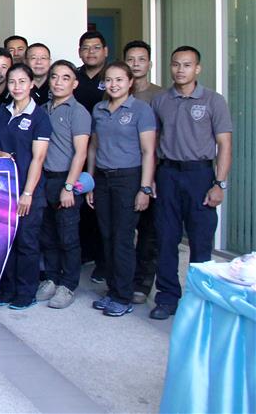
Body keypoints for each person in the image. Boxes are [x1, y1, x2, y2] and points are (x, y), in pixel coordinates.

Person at [148, 46, 233, 321]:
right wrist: (151, 178)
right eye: (175, 64)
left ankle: (200, 301)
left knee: (200, 240)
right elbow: (152, 142)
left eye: (187, 65)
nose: (180, 70)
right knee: (166, 238)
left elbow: (225, 144)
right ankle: (167, 297)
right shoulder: (160, 100)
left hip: (200, 175)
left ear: (197, 69)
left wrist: (220, 183)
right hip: (168, 173)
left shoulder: (213, 100)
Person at [86, 61, 157, 318]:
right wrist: (91, 181)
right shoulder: (99, 109)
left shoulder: (141, 110)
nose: (114, 84)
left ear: (130, 82)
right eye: (109, 80)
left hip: (129, 179)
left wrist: (145, 188)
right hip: (103, 179)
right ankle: (113, 289)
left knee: (123, 238)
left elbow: (149, 151)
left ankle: (123, 295)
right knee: (107, 236)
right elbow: (93, 147)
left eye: (119, 80)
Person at [0, 64, 51, 311]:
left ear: (31, 84)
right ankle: (7, 288)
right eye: (12, 82)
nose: (16, 87)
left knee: (27, 241)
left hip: (28, 190)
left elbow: (38, 158)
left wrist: (28, 193)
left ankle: (26, 292)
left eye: (22, 82)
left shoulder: (39, 116)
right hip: (4, 189)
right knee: (7, 241)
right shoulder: (2, 112)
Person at [35, 60, 90, 310]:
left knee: (68, 236)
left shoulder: (77, 112)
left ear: (74, 83)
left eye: (65, 78)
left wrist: (69, 186)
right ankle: (51, 278)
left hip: (65, 179)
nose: (58, 82)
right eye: (54, 77)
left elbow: (81, 153)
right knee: (48, 235)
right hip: (44, 179)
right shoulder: (43, 109)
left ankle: (68, 284)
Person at [123, 39, 163, 303]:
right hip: (123, 169)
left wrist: (150, 179)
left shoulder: (161, 96)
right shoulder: (116, 91)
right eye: (131, 59)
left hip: (153, 170)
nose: (136, 64)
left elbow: (163, 139)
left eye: (141, 59)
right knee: (124, 230)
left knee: (150, 231)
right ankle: (123, 281)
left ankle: (143, 282)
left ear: (149, 63)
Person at [74, 30, 109, 284]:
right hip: (77, 151)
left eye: (95, 48)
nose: (90, 52)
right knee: (79, 205)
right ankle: (84, 253)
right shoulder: (73, 77)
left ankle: (102, 260)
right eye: (86, 48)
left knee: (101, 207)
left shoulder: (113, 76)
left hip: (103, 150)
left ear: (105, 51)